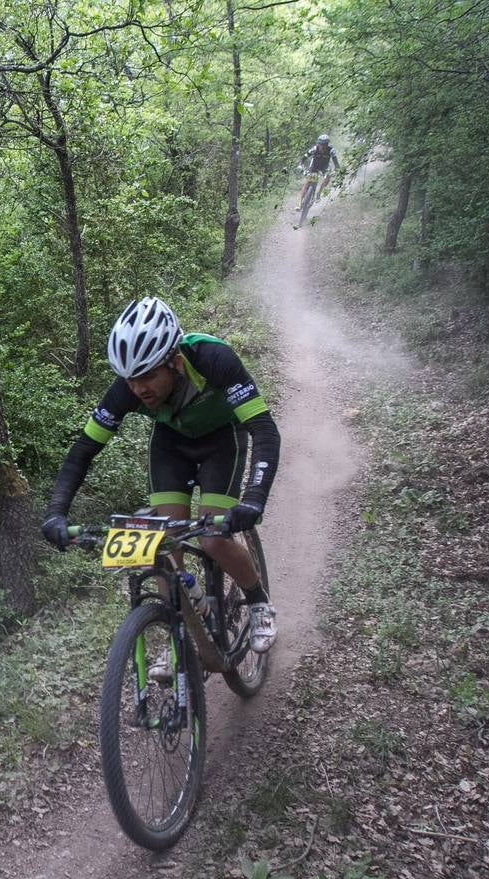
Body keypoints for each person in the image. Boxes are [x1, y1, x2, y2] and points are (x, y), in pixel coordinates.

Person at [40, 296, 281, 652]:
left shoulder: (214, 359)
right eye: (131, 379)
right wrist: (56, 511)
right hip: (171, 447)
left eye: (148, 376)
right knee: (165, 543)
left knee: (213, 538)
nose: (139, 389)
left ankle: (258, 601)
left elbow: (263, 429)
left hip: (221, 442)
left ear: (175, 362)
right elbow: (82, 452)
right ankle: (178, 631)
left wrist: (254, 498)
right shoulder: (126, 390)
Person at [296, 134, 341, 211]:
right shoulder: (314, 149)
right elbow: (302, 159)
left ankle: (319, 193)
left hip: (325, 166)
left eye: (325, 144)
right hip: (314, 166)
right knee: (307, 182)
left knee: (327, 176)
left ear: (327, 145)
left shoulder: (331, 150)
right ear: (318, 144)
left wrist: (336, 170)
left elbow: (336, 164)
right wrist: (300, 165)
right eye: (321, 144)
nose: (323, 146)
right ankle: (300, 204)